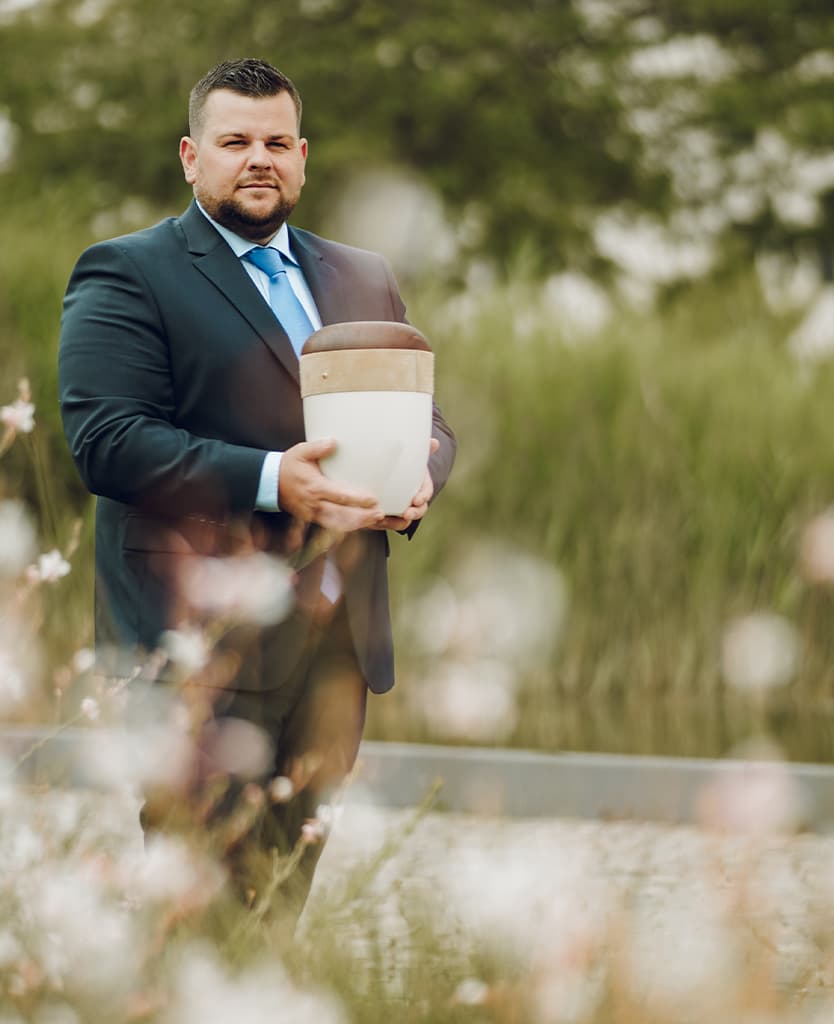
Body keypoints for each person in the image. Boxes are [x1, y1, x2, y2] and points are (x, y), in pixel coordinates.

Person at [58, 58, 456, 920]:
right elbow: (108, 443)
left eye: (277, 142)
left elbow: (428, 417)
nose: (259, 159)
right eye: (235, 141)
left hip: (336, 650)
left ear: (304, 155)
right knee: (200, 915)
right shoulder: (127, 272)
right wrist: (279, 482)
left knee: (280, 908)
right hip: (200, 656)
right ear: (191, 156)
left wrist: (422, 468)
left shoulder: (363, 275)